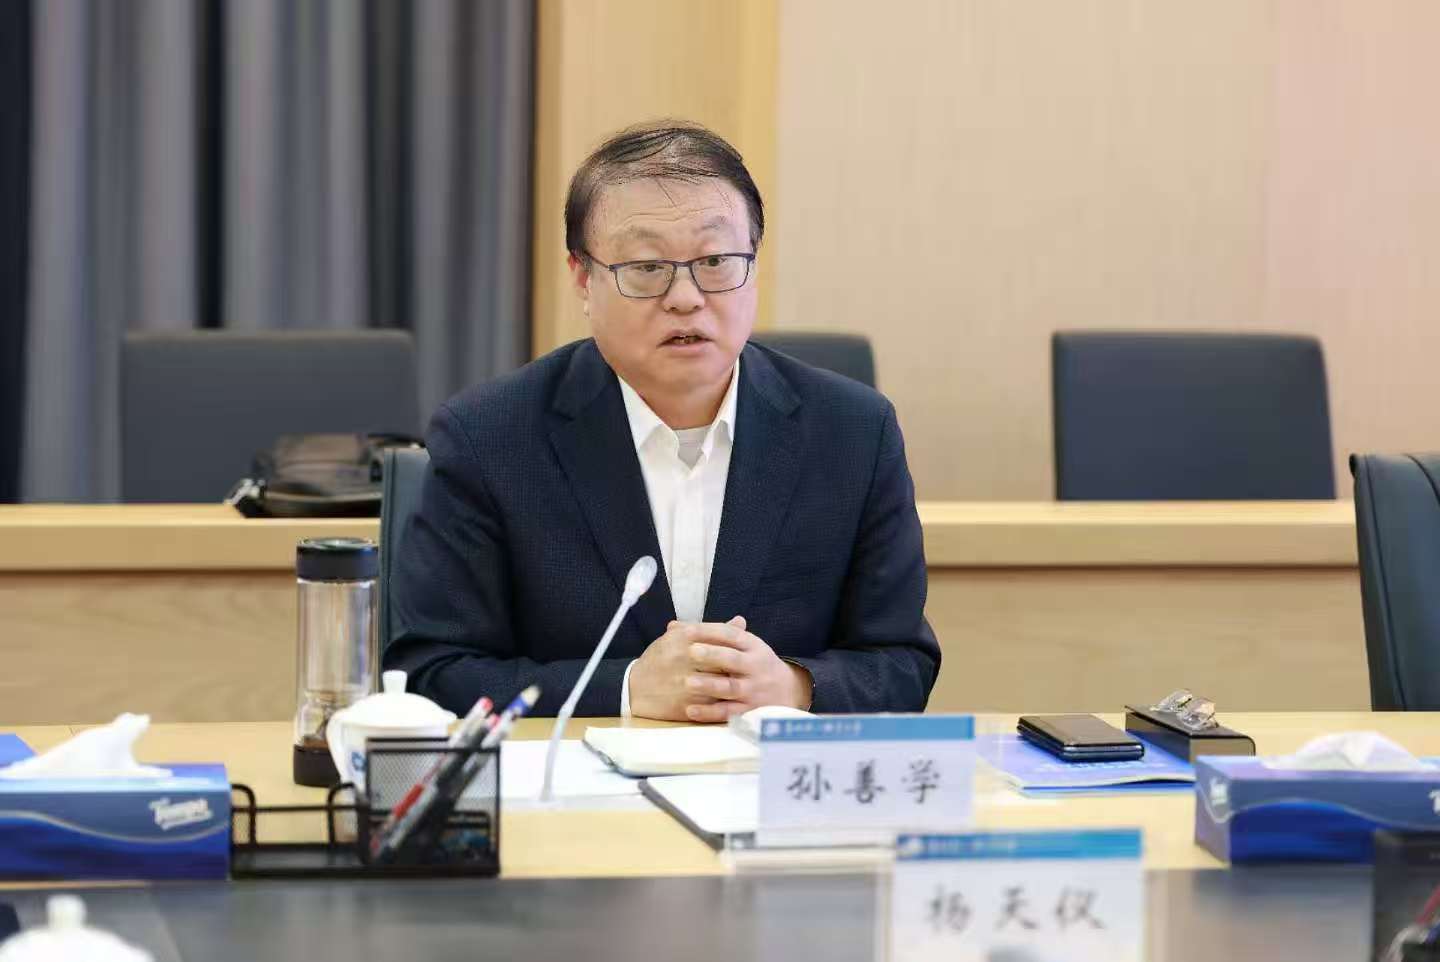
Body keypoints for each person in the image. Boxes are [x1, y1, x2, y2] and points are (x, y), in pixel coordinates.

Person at [386, 120, 939, 720]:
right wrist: (626, 689)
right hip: (577, 778)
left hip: (769, 777)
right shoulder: (489, 437)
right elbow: (431, 672)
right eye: (647, 267)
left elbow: (902, 661)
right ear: (583, 277)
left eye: (716, 261)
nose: (685, 297)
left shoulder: (853, 432)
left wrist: (796, 686)